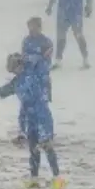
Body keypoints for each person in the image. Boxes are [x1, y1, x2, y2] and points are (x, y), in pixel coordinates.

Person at [0, 52, 62, 189]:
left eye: (15, 67)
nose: (14, 71)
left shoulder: (34, 74)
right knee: (33, 148)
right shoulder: (17, 81)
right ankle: (34, 178)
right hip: (29, 116)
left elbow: (41, 62)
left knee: (47, 145)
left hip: (41, 114)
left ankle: (57, 178)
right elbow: (3, 90)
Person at [15, 16, 55, 144]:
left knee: (43, 107)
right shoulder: (26, 41)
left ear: (39, 27)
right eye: (29, 27)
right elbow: (24, 58)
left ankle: (48, 133)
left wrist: (32, 59)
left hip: (41, 78)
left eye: (33, 27)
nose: (30, 30)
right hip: (28, 78)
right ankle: (22, 132)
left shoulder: (46, 42)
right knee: (25, 105)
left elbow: (45, 61)